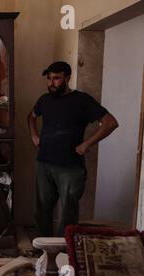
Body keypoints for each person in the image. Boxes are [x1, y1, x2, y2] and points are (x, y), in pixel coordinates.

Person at [27, 61, 119, 236]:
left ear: (67, 78)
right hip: (44, 163)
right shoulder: (44, 100)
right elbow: (30, 117)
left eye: (56, 78)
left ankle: (64, 251)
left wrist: (86, 144)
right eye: (49, 79)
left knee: (68, 211)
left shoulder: (82, 100)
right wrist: (34, 136)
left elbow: (110, 123)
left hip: (70, 167)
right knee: (42, 208)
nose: (51, 83)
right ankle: (44, 249)